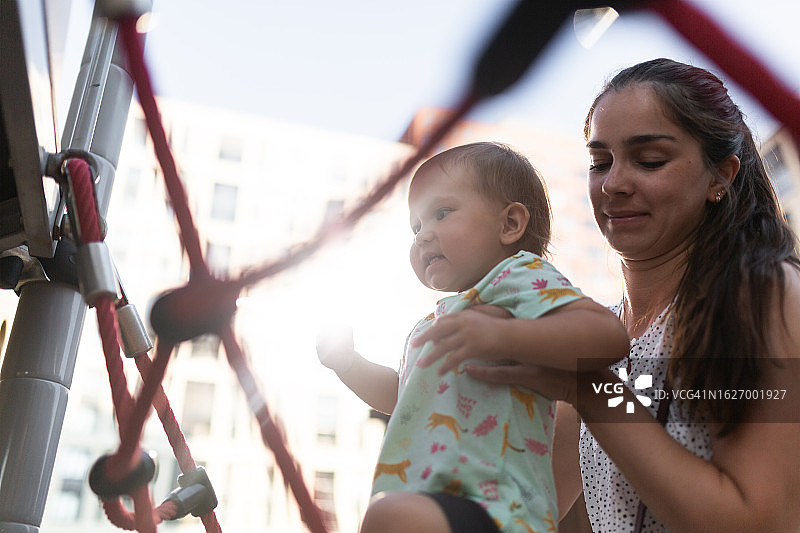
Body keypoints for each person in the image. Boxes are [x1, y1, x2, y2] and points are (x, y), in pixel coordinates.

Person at [445, 59, 800, 532]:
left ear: (722, 175)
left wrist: (591, 389)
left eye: (649, 160)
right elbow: (522, 510)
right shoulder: (594, 338)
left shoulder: (762, 294)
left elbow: (758, 522)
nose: (614, 184)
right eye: (600, 163)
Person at [316, 142, 629, 533]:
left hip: (498, 504)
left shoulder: (518, 278)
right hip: (438, 501)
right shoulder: (433, 324)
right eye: (416, 226)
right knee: (387, 515)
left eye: (441, 214)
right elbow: (404, 398)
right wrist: (349, 363)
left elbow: (608, 337)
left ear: (510, 224)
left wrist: (504, 335)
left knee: (389, 517)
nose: (422, 236)